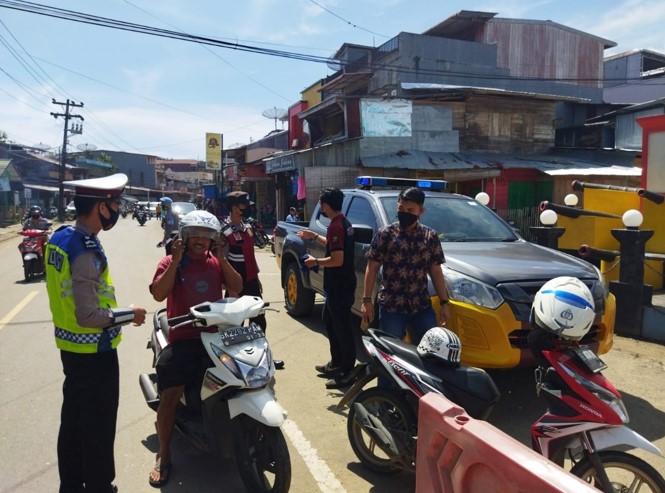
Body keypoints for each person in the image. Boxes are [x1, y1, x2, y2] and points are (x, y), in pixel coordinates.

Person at [45, 173, 147, 493]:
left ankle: (72, 485)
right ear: (101, 207)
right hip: (95, 352)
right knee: (99, 427)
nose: (117, 210)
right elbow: (89, 315)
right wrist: (131, 314)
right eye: (114, 204)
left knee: (73, 422)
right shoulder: (85, 249)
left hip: (70, 347)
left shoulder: (60, 237)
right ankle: (101, 487)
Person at [148, 210, 242, 488]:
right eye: (196, 234)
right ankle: (164, 456)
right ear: (185, 236)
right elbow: (157, 294)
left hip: (215, 338)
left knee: (240, 380)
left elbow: (236, 287)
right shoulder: (170, 261)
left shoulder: (215, 262)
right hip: (184, 339)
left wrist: (223, 258)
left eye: (207, 235)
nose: (201, 240)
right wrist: (175, 262)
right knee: (170, 397)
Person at [361, 186, 450, 345]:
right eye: (401, 208)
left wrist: (445, 303)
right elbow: (372, 268)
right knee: (392, 353)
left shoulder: (430, 236)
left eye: (411, 210)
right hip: (392, 306)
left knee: (430, 350)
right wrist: (366, 301)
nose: (404, 212)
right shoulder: (386, 234)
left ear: (420, 211)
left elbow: (436, 271)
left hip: (421, 306)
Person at [299, 188, 357, 389]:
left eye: (322, 204)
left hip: (339, 286)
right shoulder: (342, 222)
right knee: (330, 323)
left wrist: (315, 261)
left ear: (326, 205)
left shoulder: (336, 226)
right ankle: (336, 363)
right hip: (340, 285)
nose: (320, 207)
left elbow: (337, 259)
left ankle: (347, 371)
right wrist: (314, 236)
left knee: (342, 329)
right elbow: (334, 247)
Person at [221, 191, 284, 369]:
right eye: (244, 206)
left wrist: (256, 278)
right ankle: (237, 363)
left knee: (259, 321)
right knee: (235, 325)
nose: (248, 209)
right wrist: (228, 287)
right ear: (234, 208)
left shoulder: (246, 228)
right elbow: (221, 262)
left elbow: (251, 256)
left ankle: (262, 359)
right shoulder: (225, 233)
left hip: (251, 282)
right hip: (235, 286)